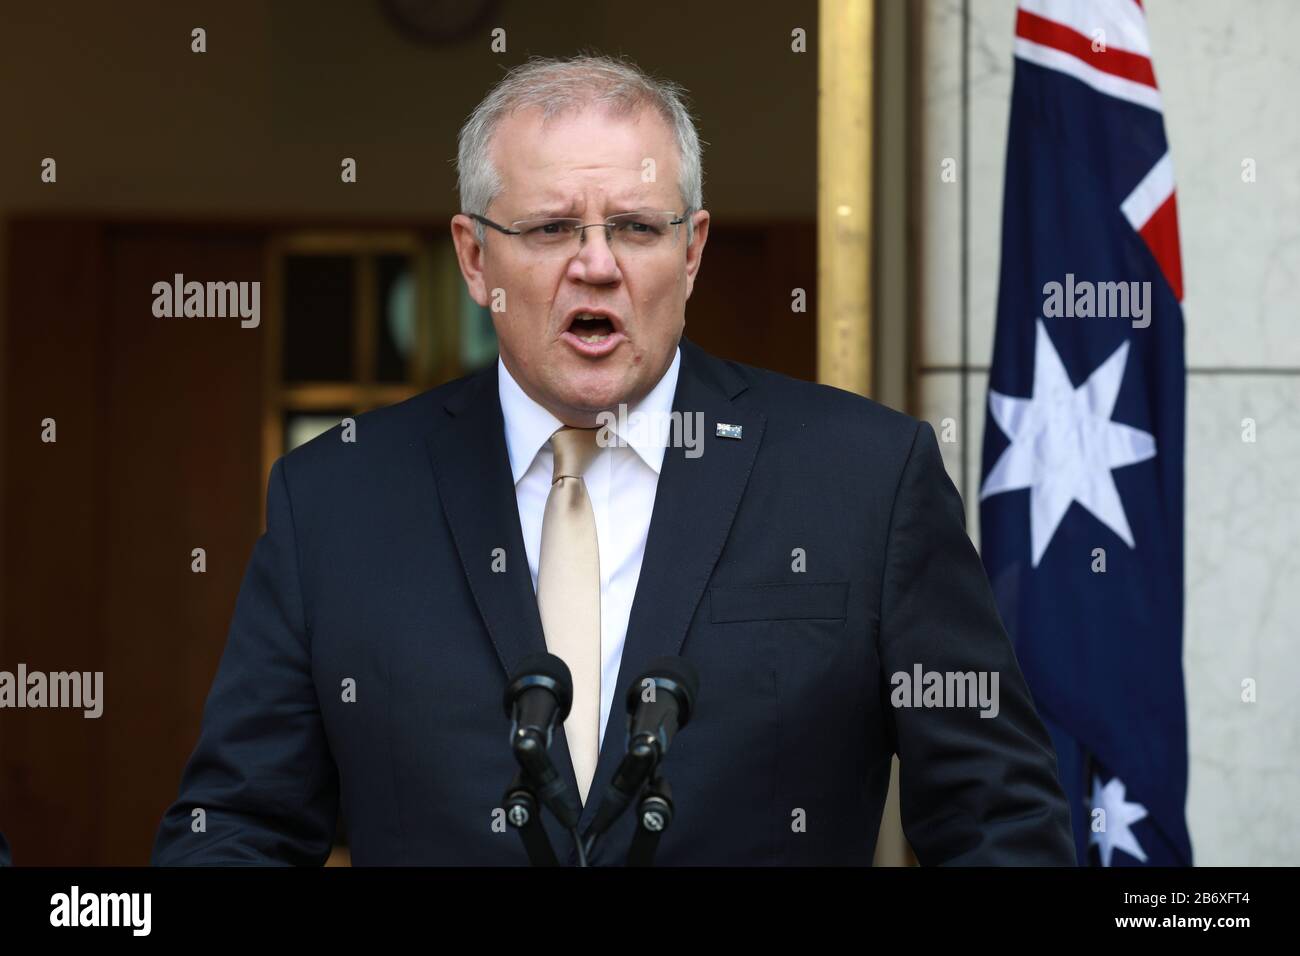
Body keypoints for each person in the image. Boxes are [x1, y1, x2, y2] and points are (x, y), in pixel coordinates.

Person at [152, 54, 1074, 866]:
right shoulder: (338, 498)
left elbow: (1001, 823)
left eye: (635, 227)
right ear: (474, 259)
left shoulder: (866, 479)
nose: (596, 264)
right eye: (551, 229)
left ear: (693, 249)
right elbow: (237, 828)